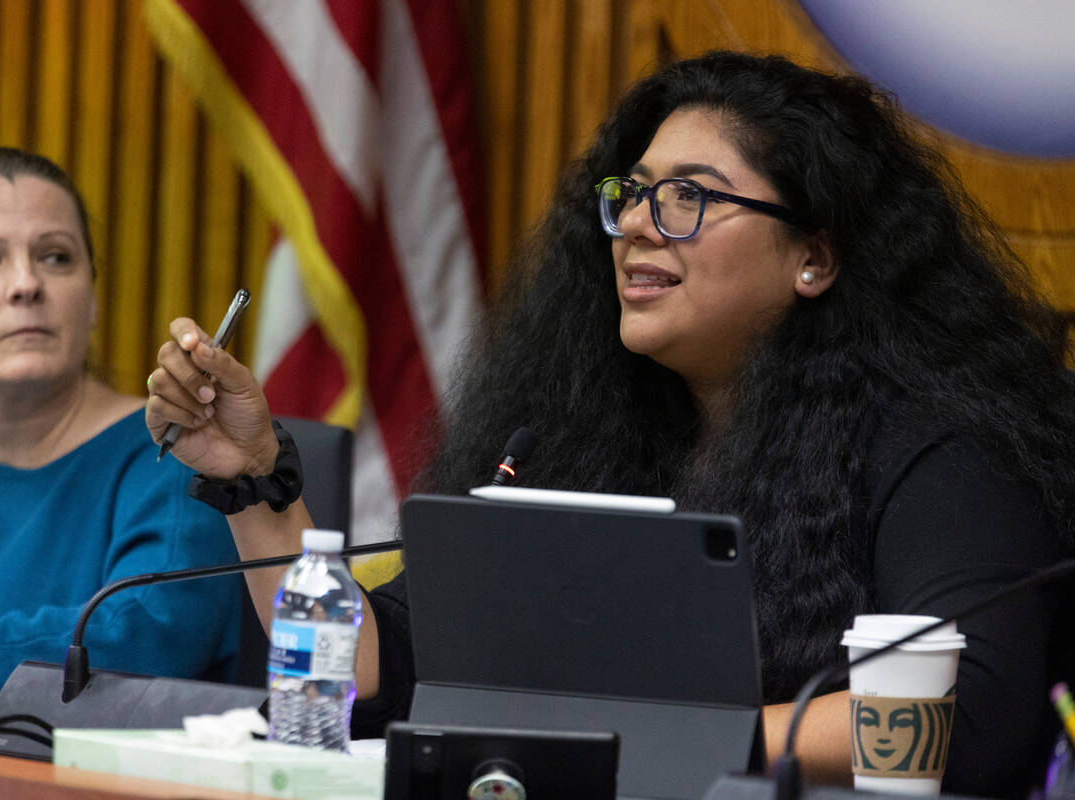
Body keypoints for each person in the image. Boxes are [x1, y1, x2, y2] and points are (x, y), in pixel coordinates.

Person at [145, 52, 1075, 795]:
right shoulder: (569, 443)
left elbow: (971, 712)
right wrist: (252, 477)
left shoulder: (942, 452)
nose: (635, 225)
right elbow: (381, 671)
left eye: (690, 197)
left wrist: (652, 743)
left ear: (815, 258)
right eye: (631, 194)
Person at [0, 147, 240, 694]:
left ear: (91, 297)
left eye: (55, 257)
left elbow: (138, 643)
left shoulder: (174, 448)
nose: (26, 284)